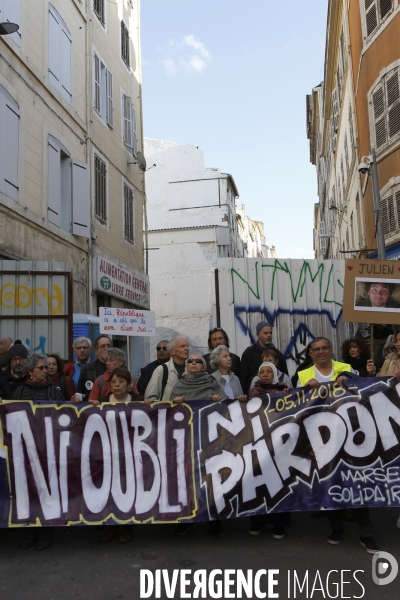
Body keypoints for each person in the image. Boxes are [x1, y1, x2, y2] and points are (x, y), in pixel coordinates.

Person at [170, 354, 227, 538]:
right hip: (186, 440)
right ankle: (187, 521)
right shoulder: (179, 384)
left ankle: (214, 519)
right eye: (190, 361)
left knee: (211, 479)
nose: (193, 363)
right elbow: (168, 410)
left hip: (209, 439)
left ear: (204, 367)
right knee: (187, 480)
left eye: (198, 361)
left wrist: (219, 399)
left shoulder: (211, 382)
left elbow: (227, 404)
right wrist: (176, 402)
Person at [357, 282, 400, 369]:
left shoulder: (396, 307)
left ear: (389, 294)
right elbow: (365, 334)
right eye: (374, 290)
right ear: (368, 292)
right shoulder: (360, 307)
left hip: (390, 338)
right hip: (372, 339)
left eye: (383, 290)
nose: (379, 294)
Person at [240, 321, 288, 394]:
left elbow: (284, 375)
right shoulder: (249, 353)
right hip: (256, 397)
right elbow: (243, 377)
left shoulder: (278, 354)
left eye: (270, 333)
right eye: (265, 333)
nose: (269, 335)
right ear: (258, 335)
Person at [144, 337, 189, 402]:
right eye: (182, 346)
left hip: (189, 411)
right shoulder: (162, 369)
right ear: (172, 351)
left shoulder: (191, 369)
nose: (187, 349)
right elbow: (150, 398)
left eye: (187, 346)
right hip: (169, 411)